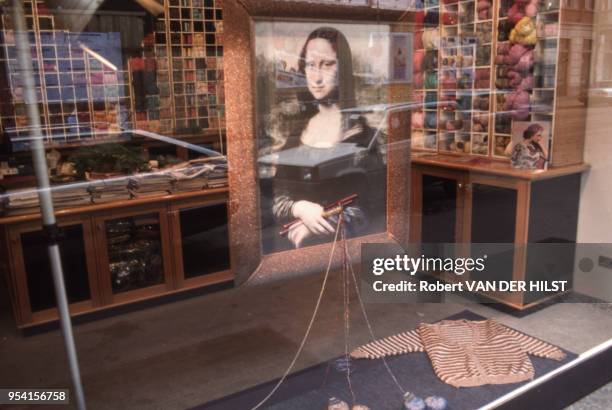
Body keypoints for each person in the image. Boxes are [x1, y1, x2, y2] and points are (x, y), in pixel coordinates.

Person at [260, 27, 386, 251]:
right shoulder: (298, 132)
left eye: (327, 64)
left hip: (344, 252)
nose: (316, 77)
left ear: (343, 68)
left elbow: (371, 208)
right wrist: (300, 208)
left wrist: (321, 223)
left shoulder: (362, 136)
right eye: (310, 65)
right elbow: (279, 196)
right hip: (293, 252)